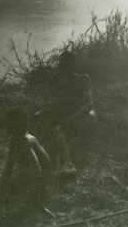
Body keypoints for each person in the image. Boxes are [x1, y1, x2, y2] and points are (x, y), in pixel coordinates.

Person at [32, 51, 96, 180]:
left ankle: (67, 163)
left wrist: (71, 118)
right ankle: (59, 163)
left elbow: (88, 105)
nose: (66, 70)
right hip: (67, 115)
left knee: (59, 130)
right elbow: (59, 103)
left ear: (74, 66)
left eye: (69, 66)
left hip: (84, 115)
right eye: (64, 67)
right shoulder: (58, 80)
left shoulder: (83, 79)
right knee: (43, 123)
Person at [0, 107, 52, 220]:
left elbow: (37, 172)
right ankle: (29, 207)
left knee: (11, 215)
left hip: (33, 189)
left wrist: (22, 199)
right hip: (33, 186)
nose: (7, 126)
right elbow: (9, 168)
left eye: (10, 123)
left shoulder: (23, 141)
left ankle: (32, 207)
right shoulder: (26, 138)